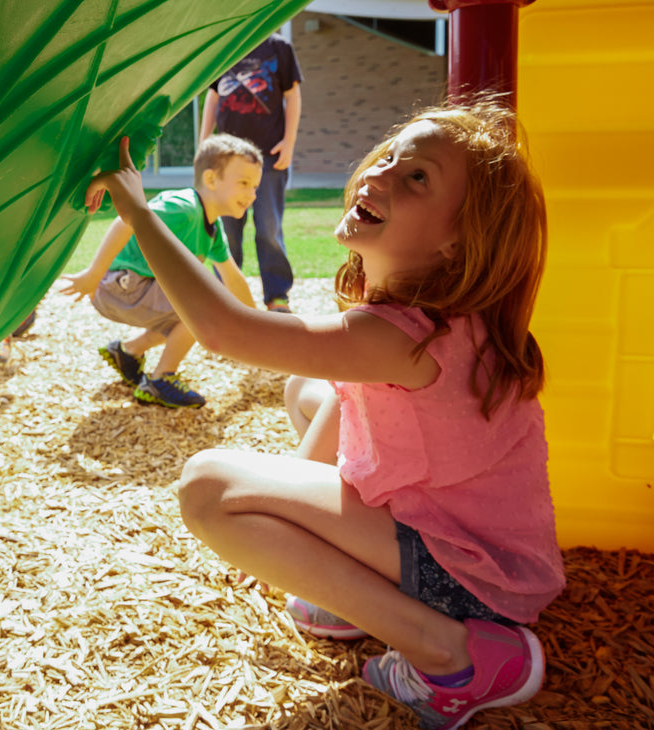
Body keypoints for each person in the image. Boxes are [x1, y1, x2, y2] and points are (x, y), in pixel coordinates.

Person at [83, 97, 565, 729]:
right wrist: (301, 544)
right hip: (482, 551)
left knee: (208, 488)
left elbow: (226, 330)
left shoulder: (404, 336)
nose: (381, 173)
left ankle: (451, 656)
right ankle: (346, 594)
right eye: (390, 157)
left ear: (458, 239)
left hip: (468, 584)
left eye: (417, 177)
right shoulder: (444, 320)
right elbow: (343, 398)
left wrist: (139, 212)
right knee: (310, 390)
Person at [61, 134, 259, 408]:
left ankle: (128, 352)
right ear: (212, 180)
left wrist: (258, 328)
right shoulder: (184, 208)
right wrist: (94, 274)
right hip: (120, 285)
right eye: (244, 184)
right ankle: (160, 380)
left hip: (134, 290)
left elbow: (232, 277)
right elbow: (126, 220)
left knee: (190, 313)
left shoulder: (212, 227)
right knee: (203, 305)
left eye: (255, 187)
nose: (252, 194)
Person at [200, 32, 303, 313]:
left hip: (269, 157)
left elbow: (292, 95)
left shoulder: (279, 47)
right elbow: (212, 96)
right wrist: (204, 141)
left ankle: (277, 296)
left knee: (269, 228)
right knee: (227, 232)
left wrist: (289, 143)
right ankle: (225, 296)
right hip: (225, 161)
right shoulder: (225, 42)